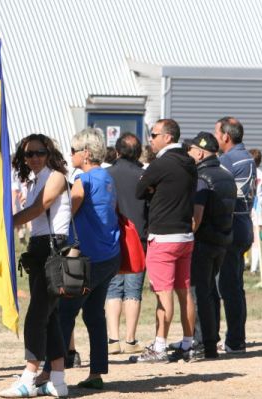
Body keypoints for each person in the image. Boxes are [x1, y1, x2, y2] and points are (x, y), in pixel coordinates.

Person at [43, 128, 120, 390]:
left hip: (88, 259)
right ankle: (96, 372)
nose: (71, 154)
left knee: (65, 313)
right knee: (94, 315)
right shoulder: (107, 178)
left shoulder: (83, 181)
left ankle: (51, 373)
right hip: (110, 255)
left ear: (86, 154)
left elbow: (67, 213)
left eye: (74, 151)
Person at [0, 133, 70, 398]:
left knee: (36, 316)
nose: (34, 158)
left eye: (39, 153)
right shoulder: (33, 179)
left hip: (54, 248)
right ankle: (58, 381)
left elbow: (40, 208)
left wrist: (8, 223)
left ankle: (29, 378)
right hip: (40, 248)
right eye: (29, 154)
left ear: (49, 153)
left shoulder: (56, 177)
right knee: (49, 317)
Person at [131, 119, 197, 363]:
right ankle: (189, 343)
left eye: (154, 134)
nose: (151, 139)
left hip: (163, 236)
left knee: (163, 294)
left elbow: (140, 191)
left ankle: (160, 346)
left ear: (167, 137)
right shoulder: (189, 162)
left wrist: (153, 188)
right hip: (185, 234)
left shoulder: (161, 163)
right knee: (185, 292)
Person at [184, 132, 237, 360]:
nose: (189, 156)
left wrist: (185, 234)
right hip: (222, 242)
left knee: (199, 292)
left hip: (203, 242)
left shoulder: (202, 177)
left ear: (200, 152)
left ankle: (202, 342)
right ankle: (211, 340)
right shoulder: (226, 176)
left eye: (191, 152)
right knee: (211, 292)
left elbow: (196, 218)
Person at [214, 116, 256, 353]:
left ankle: (235, 340)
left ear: (225, 137)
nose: (215, 138)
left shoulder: (228, 160)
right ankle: (236, 337)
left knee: (228, 287)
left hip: (231, 227)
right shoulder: (247, 156)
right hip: (243, 225)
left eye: (216, 133)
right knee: (235, 286)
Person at [105, 133, 147, 355]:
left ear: (118, 151)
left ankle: (113, 340)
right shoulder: (144, 176)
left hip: (111, 237)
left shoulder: (106, 175)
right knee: (133, 289)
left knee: (112, 287)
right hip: (138, 238)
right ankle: (130, 340)